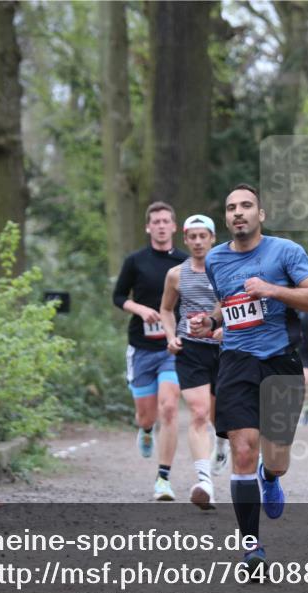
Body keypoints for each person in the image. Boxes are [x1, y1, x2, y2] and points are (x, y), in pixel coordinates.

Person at [190, 183, 308, 573]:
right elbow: (228, 302)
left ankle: (271, 477)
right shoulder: (215, 260)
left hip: (281, 362)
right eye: (231, 207)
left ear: (261, 214)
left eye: (246, 206)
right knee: (244, 450)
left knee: (276, 458)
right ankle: (251, 546)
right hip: (236, 361)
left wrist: (271, 289)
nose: (238, 212)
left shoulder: (286, 252)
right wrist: (212, 320)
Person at [113, 201, 188, 501]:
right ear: (148, 227)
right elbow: (118, 296)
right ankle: (145, 430)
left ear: (173, 227)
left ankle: (163, 479)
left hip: (172, 346)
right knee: (147, 416)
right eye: (155, 221)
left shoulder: (185, 262)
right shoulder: (135, 261)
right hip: (141, 348)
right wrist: (141, 309)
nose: (160, 225)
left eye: (165, 221)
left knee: (169, 407)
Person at [159, 214, 231, 510]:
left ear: (213, 239)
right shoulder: (176, 274)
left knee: (220, 417)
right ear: (185, 240)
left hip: (225, 350)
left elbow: (236, 305)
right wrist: (170, 336)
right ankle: (205, 483)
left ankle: (222, 442)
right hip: (191, 351)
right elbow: (165, 309)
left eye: (204, 236)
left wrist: (223, 328)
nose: (199, 242)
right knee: (199, 414)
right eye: (193, 237)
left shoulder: (226, 270)